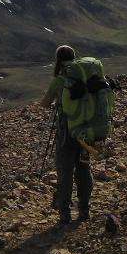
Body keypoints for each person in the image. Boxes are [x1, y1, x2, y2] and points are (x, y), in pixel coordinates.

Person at [39, 45, 92, 226]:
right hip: (86, 131)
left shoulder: (59, 80)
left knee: (65, 172)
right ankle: (85, 209)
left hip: (66, 133)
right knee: (84, 169)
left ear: (58, 60)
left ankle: (64, 213)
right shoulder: (86, 76)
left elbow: (45, 104)